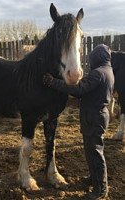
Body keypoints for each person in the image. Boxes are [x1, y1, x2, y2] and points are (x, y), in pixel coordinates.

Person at [43, 44, 114, 200]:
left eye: (93, 57)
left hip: (94, 117)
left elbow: (78, 89)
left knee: (95, 153)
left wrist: (53, 82)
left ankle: (101, 190)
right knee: (92, 151)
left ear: (97, 57)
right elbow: (88, 92)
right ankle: (94, 179)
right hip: (96, 115)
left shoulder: (98, 73)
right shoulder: (107, 71)